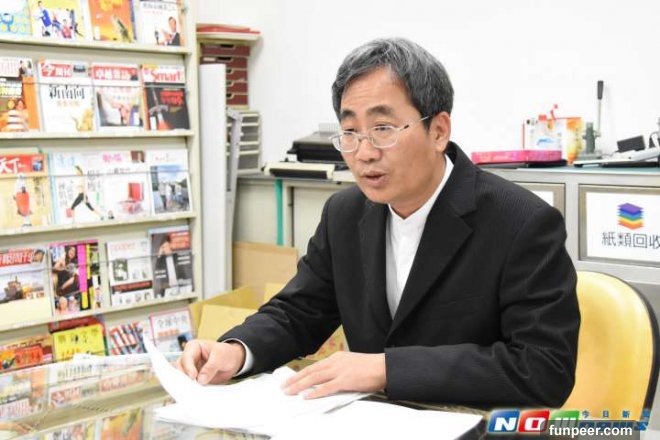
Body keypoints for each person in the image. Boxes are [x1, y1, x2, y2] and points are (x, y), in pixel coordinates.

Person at [178, 38, 580, 407]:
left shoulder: (521, 222)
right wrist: (237, 350)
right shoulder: (344, 213)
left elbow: (543, 368)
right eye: (350, 132)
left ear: (438, 131)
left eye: (382, 129)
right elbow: (300, 311)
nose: (364, 153)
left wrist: (387, 369)